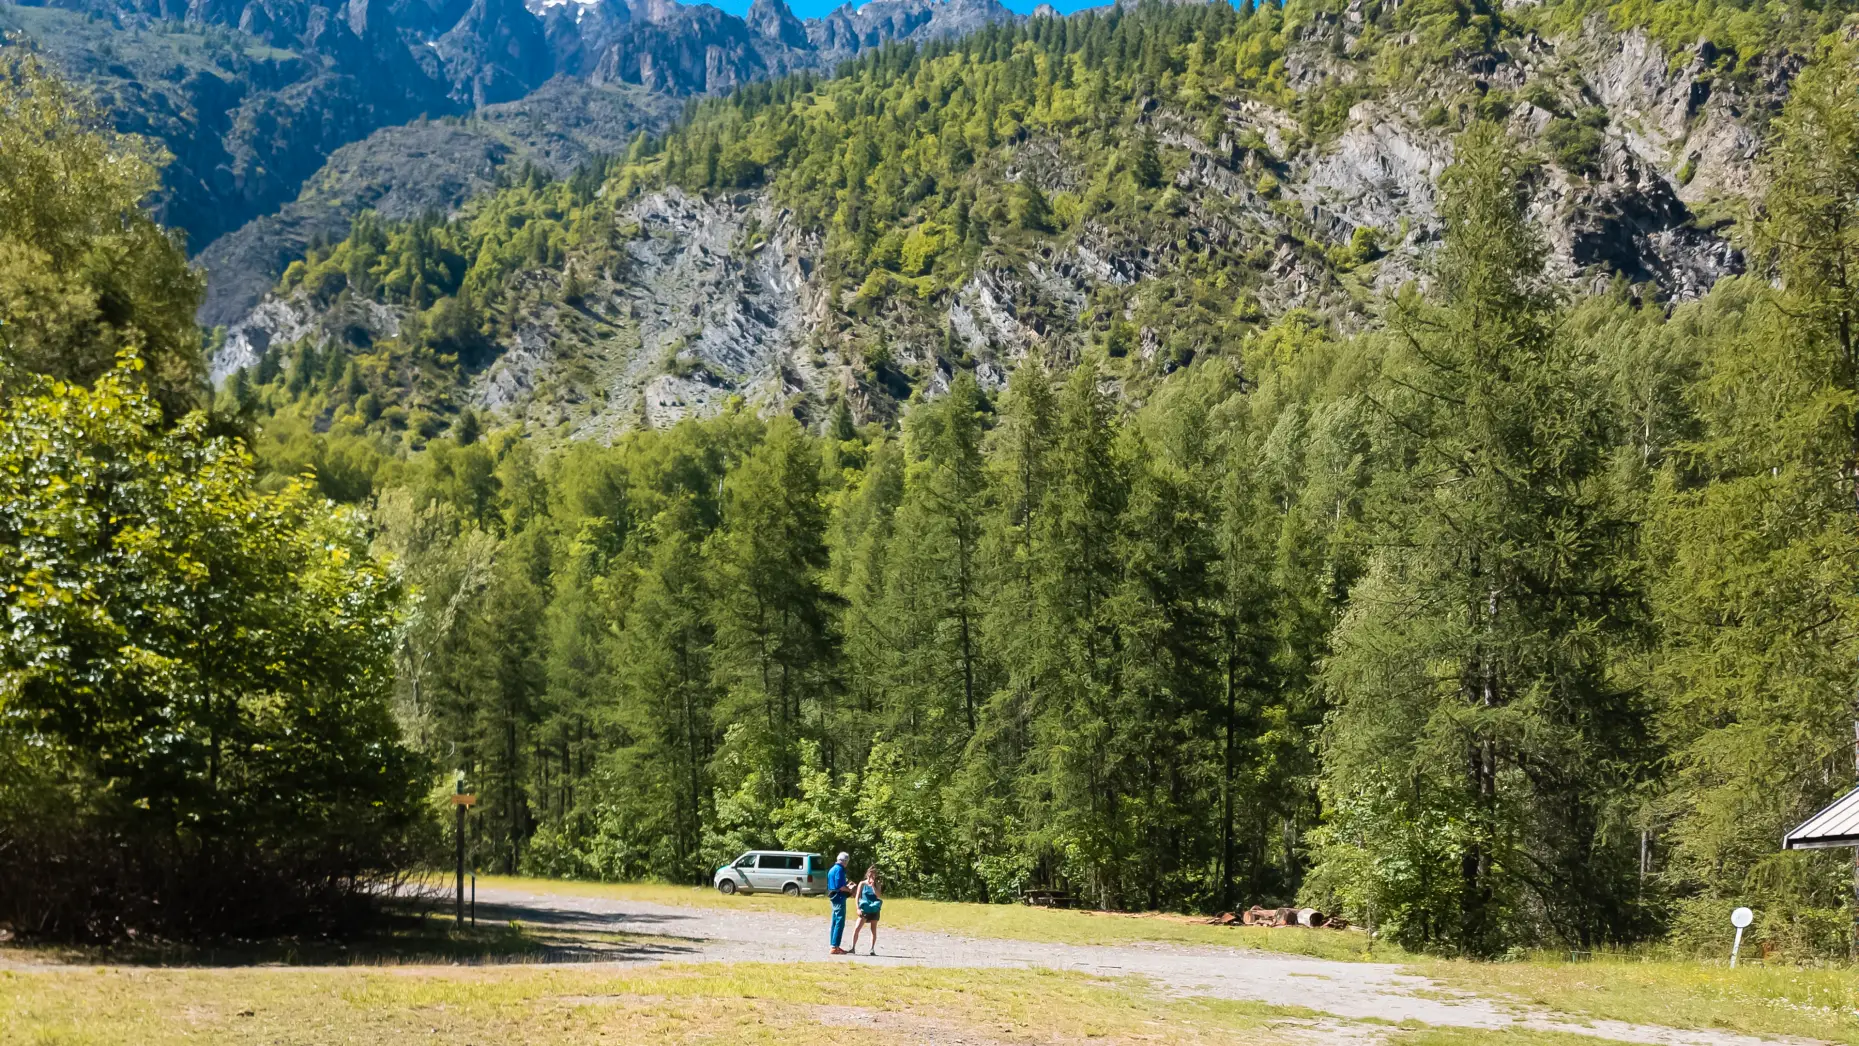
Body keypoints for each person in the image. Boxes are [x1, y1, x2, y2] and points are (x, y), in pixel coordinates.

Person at [849, 865, 883, 956]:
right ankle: (853, 947)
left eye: (873, 875)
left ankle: (872, 949)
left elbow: (878, 895)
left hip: (874, 909)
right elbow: (857, 896)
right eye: (870, 874)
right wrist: (857, 908)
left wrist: (873, 886)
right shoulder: (862, 883)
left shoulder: (877, 884)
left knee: (873, 929)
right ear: (867, 874)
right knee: (857, 928)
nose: (871, 876)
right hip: (864, 908)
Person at [826, 851, 851, 954]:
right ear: (845, 861)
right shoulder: (840, 870)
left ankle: (833, 944)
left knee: (835, 921)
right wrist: (850, 889)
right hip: (839, 897)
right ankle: (835, 946)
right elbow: (840, 887)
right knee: (839, 922)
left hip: (833, 897)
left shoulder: (832, 869)